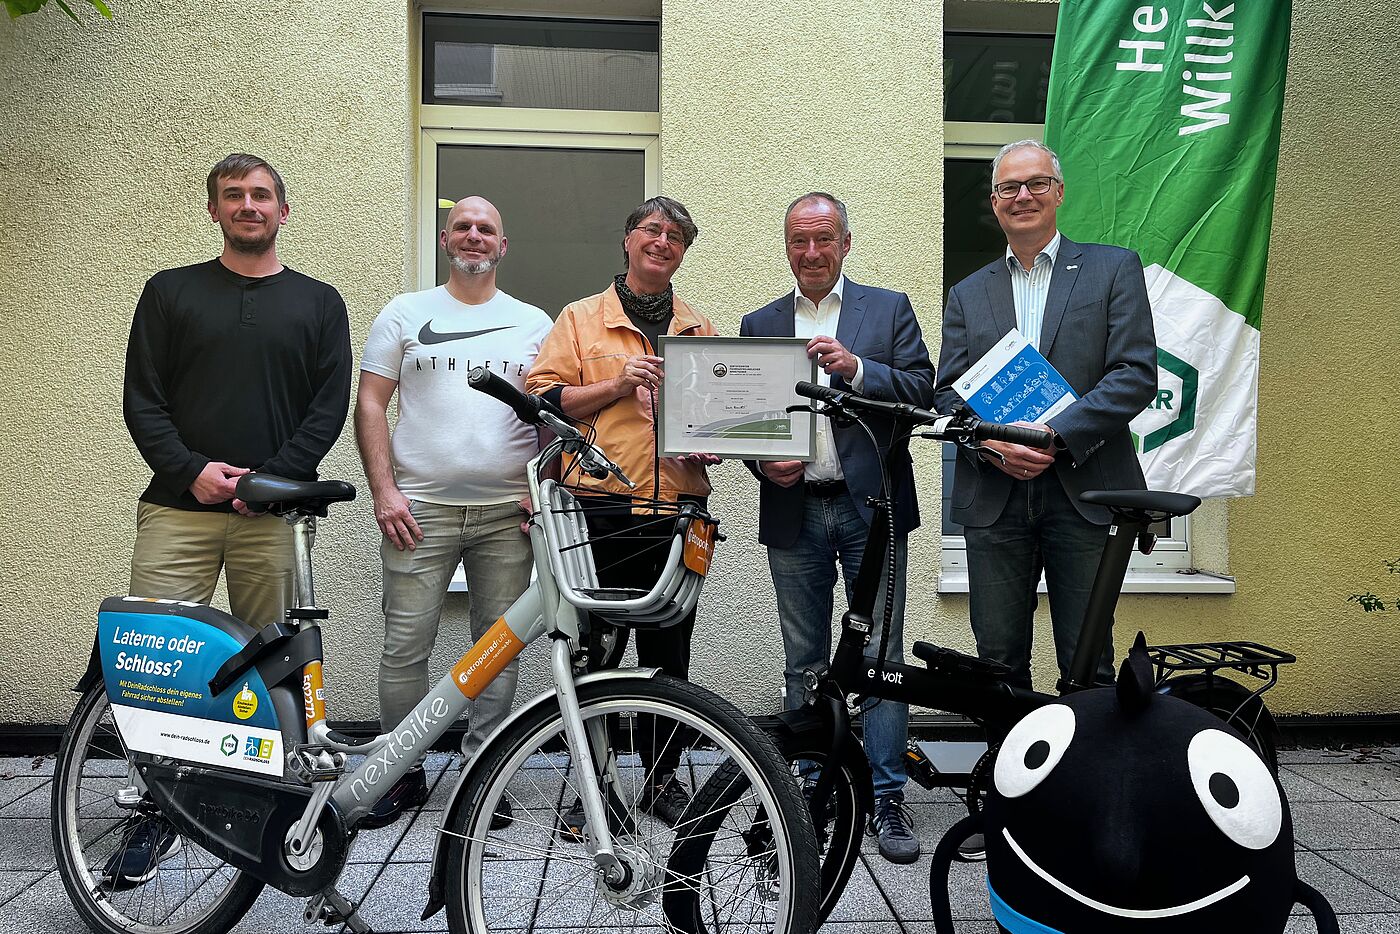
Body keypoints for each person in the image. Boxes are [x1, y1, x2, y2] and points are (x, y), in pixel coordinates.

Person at [120, 152, 352, 882]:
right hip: (176, 510)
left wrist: (266, 481)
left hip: (272, 517)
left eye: (261, 195)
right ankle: (154, 810)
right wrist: (193, 470)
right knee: (157, 665)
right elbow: (142, 400)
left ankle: (263, 806)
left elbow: (327, 409)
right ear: (214, 210)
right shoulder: (169, 292)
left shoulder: (319, 302)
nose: (248, 204)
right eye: (233, 195)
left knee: (271, 665)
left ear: (285, 210)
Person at [741, 192, 936, 865]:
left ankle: (886, 794)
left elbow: (923, 391)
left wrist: (858, 368)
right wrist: (766, 463)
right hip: (795, 509)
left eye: (825, 240)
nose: (813, 253)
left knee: (880, 658)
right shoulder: (760, 321)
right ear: (787, 246)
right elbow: (743, 421)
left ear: (846, 243)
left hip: (870, 510)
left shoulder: (888, 309)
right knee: (805, 657)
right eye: (800, 240)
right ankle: (803, 788)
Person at [355, 197, 553, 829]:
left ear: (503, 245)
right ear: (446, 239)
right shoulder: (406, 313)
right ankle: (398, 772)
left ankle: (480, 777)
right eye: (463, 226)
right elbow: (369, 404)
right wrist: (385, 491)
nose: (474, 236)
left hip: (505, 515)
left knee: (497, 648)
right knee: (404, 645)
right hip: (420, 511)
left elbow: (553, 411)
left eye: (486, 229)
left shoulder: (533, 322)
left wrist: (538, 486)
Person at [934, 138, 1157, 691]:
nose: (1023, 196)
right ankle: (1009, 778)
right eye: (1009, 187)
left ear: (1058, 193)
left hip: (1085, 493)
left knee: (1087, 664)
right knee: (998, 666)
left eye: (1035, 184)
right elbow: (947, 396)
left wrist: (1055, 434)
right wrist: (992, 443)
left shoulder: (1112, 269)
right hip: (996, 495)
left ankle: (1082, 777)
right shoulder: (967, 293)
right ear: (993, 202)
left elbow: (1134, 374)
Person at [527, 196, 718, 832]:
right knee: (596, 655)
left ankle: (662, 780)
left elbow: (724, 419)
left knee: (671, 656)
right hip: (601, 507)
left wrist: (714, 438)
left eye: (675, 236)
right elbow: (541, 403)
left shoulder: (699, 328)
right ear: (628, 240)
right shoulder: (581, 319)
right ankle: (597, 789)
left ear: (683, 251)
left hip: (679, 513)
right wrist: (615, 384)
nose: (662, 241)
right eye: (650, 230)